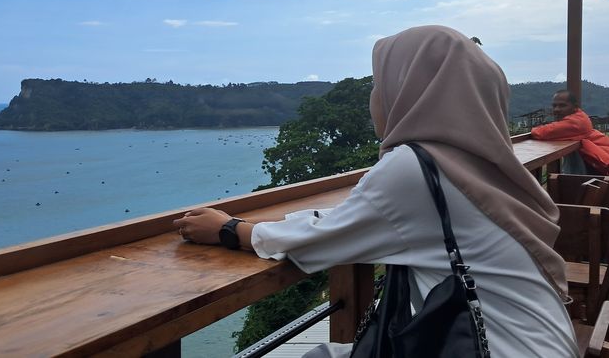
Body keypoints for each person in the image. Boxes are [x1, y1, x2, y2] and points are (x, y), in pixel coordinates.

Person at [174, 25, 578, 357]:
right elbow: (357, 220)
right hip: (543, 341)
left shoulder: (416, 167)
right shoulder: (483, 162)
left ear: (413, 92)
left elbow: (321, 241)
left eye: (379, 85)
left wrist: (231, 230)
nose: (374, 99)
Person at [531, 90, 609, 175]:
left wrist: (533, 130)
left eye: (562, 105)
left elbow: (540, 133)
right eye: (554, 106)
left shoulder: (575, 123)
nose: (556, 109)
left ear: (575, 107)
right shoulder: (580, 117)